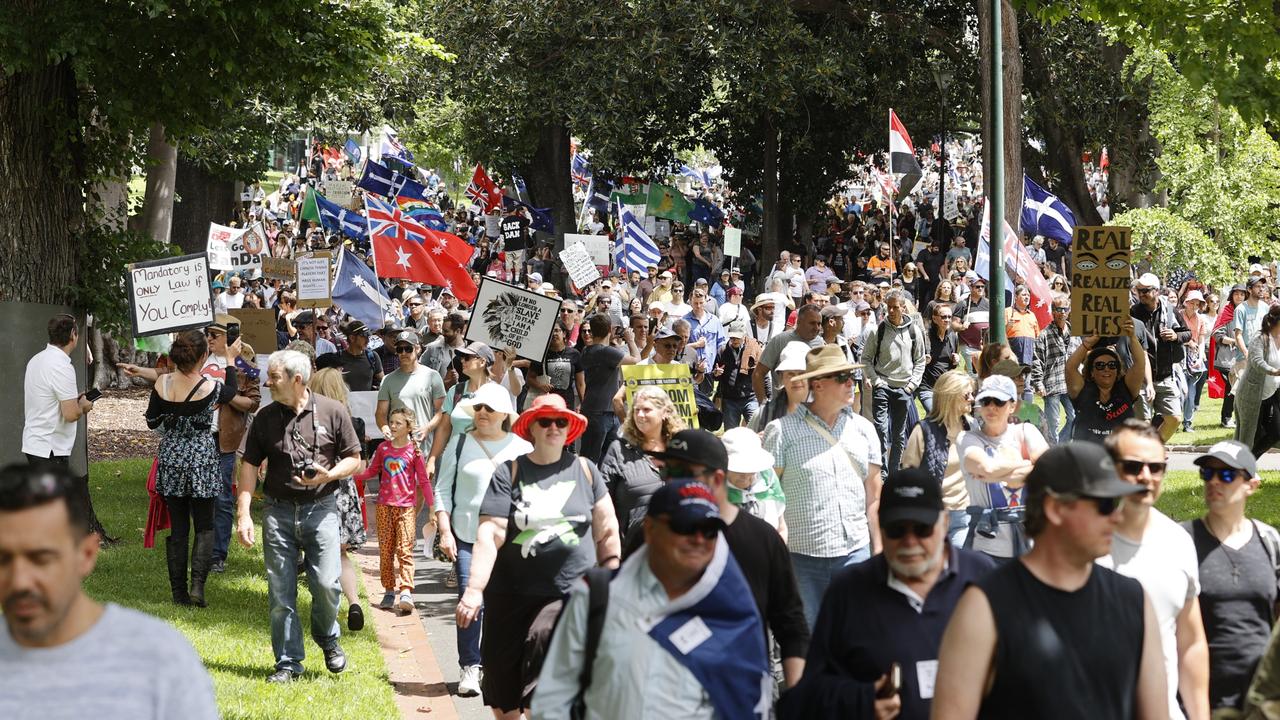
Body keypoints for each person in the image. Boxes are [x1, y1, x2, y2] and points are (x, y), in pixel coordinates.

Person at [932, 442, 1168, 719]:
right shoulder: (984, 607)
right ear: (1055, 508)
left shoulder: (1134, 601)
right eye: (1105, 504)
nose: (1117, 516)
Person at [529, 479, 772, 720]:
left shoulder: (730, 615)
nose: (699, 539)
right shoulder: (597, 596)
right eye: (685, 526)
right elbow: (553, 698)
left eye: (709, 530)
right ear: (651, 528)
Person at [0, 463, 219, 719]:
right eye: (3, 559)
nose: (21, 581)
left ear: (86, 555)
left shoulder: (159, 661)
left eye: (41, 559)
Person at [781, 468, 998, 720]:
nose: (910, 541)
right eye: (897, 529)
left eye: (922, 528)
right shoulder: (849, 591)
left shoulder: (981, 578)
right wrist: (861, 701)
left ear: (945, 523)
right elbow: (803, 700)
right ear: (881, 527)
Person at [456, 394, 621, 717]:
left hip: (568, 595)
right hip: (508, 599)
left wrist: (612, 580)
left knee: (543, 691)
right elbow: (490, 533)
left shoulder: (585, 471)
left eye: (561, 421)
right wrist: (474, 590)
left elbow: (607, 531)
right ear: (531, 427)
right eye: (545, 421)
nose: (553, 427)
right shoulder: (510, 472)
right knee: (504, 700)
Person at [236, 350, 363, 682]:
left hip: (322, 510)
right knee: (281, 593)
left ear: (296, 379)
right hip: (277, 512)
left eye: (274, 377)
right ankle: (288, 662)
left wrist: (329, 475)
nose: (267, 382)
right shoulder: (265, 417)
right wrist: (244, 513)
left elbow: (355, 459)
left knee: (325, 584)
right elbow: (248, 465)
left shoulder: (333, 411)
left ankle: (328, 638)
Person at [764, 344, 882, 628]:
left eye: (851, 377)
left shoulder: (864, 429)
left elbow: (875, 496)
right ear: (817, 384)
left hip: (855, 552)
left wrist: (878, 550)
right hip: (801, 558)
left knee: (854, 639)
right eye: (842, 378)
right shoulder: (781, 431)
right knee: (808, 642)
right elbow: (769, 497)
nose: (851, 384)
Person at [1099, 420, 1210, 720]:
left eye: (1156, 467)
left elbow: (1190, 642)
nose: (1145, 477)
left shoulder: (1178, 542)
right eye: (1133, 466)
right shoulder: (1081, 543)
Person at [435, 383, 531, 698]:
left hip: (511, 540)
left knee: (504, 604)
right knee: (470, 600)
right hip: (466, 537)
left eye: (489, 408)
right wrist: (444, 530)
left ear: (504, 413)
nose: (483, 413)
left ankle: (497, 665)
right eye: (478, 408)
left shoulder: (521, 448)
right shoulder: (460, 444)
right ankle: (470, 666)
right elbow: (442, 489)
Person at [1179, 441, 1280, 715]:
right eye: (1207, 474)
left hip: (1259, 702)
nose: (1214, 482)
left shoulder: (1270, 542)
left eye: (1226, 475)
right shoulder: (1181, 541)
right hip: (1198, 701)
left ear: (1252, 485)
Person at [143, 330, 240, 607]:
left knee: (179, 525)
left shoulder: (162, 383)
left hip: (172, 458)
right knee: (205, 524)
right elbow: (231, 392)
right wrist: (231, 361)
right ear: (202, 356)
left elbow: (151, 421)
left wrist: (170, 417)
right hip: (201, 458)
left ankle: (178, 592)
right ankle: (198, 587)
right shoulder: (210, 387)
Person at [957, 375, 1048, 559]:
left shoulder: (1026, 431)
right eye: (986, 401)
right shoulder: (968, 438)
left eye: (999, 401)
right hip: (985, 547)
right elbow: (985, 468)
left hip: (1030, 545)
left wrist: (996, 474)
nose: (991, 407)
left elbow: (1049, 469)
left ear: (1012, 406)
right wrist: (1028, 466)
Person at [356, 407, 433, 615]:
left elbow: (424, 481)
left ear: (408, 427)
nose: (393, 426)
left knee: (405, 548)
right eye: (392, 422)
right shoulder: (382, 449)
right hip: (384, 506)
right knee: (386, 550)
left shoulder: (414, 452)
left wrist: (432, 507)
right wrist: (351, 475)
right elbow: (372, 472)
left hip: (406, 507)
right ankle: (389, 590)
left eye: (398, 423)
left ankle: (406, 590)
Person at [309, 367, 369, 631]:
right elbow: (361, 465)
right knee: (342, 554)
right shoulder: (353, 422)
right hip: (345, 491)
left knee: (318, 554)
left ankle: (328, 609)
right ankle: (354, 602)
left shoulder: (308, 421)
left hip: (317, 490)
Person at [600, 386, 686, 536]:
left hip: (676, 548)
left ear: (665, 412)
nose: (640, 415)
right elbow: (602, 502)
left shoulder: (682, 449)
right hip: (631, 549)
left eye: (646, 410)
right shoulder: (619, 450)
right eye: (636, 410)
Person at [902, 370, 975, 546]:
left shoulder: (972, 426)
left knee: (959, 567)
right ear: (951, 396)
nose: (972, 398)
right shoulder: (923, 431)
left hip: (964, 516)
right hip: (931, 517)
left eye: (973, 394)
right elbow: (907, 477)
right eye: (967, 395)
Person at [22, 314, 96, 469]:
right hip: (51, 449)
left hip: (34, 443)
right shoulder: (62, 366)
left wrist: (73, 400)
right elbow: (71, 415)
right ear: (72, 335)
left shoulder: (36, 359)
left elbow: (48, 397)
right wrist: (83, 406)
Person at [863, 289, 925, 473]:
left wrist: (912, 385)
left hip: (904, 388)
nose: (890, 311)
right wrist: (876, 381)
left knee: (898, 433)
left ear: (903, 308)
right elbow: (866, 358)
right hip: (882, 384)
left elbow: (920, 360)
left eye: (895, 308)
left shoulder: (914, 331)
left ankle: (893, 470)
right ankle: (881, 470)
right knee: (881, 428)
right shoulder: (878, 330)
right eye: (888, 307)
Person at [1067, 318, 1148, 444]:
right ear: (1091, 372)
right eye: (1100, 365)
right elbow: (1070, 368)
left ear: (1117, 370)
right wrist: (1086, 345)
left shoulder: (1126, 389)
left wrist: (1132, 337)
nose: (1106, 369)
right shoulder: (1082, 390)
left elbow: (1140, 363)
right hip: (1087, 454)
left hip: (1118, 453)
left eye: (1111, 365)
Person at [1131, 272, 1191, 440]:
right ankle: (1145, 456)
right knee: (1143, 423)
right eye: (1138, 290)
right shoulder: (1133, 312)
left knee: (1174, 418)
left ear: (1156, 291)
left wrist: (1175, 336)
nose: (1141, 294)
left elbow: (1187, 333)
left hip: (1165, 374)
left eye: (1145, 291)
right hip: (1141, 375)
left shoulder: (1170, 310)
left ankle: (1154, 447)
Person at [377, 330, 446, 467]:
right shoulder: (387, 380)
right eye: (399, 349)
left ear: (418, 349)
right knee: (398, 488)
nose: (403, 353)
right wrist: (385, 429)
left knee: (422, 487)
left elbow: (441, 411)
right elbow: (380, 413)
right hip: (397, 450)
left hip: (424, 448)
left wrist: (427, 428)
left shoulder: (433, 376)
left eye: (408, 349)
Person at [577, 314, 640, 464]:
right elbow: (635, 360)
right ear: (609, 330)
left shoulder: (587, 350)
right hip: (601, 413)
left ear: (591, 331)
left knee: (600, 456)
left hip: (602, 411)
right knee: (595, 458)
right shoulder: (605, 352)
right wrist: (630, 340)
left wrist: (611, 340)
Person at [722, 426, 788, 537]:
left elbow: (781, 528)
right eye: (739, 469)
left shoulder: (768, 479)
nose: (746, 475)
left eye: (751, 469)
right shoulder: (713, 489)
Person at [1032, 294, 1080, 444]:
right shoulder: (1044, 334)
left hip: (1070, 385)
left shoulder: (1075, 333)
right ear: (1053, 311)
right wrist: (1038, 383)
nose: (1062, 312)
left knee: (1074, 417)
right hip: (1052, 385)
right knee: (1053, 423)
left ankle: (1060, 446)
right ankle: (1052, 450)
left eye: (1065, 309)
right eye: (1058, 309)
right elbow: (1036, 360)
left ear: (1069, 310)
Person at [1232, 304, 1280, 455]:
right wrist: (1274, 371)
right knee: (1248, 436)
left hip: (1271, 394)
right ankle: (1238, 467)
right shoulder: (1260, 338)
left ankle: (1247, 464)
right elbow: (1256, 361)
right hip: (1251, 395)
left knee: (1275, 433)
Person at [753, 304, 823, 405]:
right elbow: (758, 374)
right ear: (799, 322)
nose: (816, 327)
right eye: (812, 323)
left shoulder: (820, 343)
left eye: (819, 324)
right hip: (782, 409)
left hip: (810, 410)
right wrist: (764, 405)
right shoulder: (780, 341)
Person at [750, 341, 812, 432]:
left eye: (801, 373)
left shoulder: (826, 413)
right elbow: (745, 445)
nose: (796, 379)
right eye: (790, 374)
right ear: (781, 376)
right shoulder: (764, 414)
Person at [918, 300, 959, 414]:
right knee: (935, 414)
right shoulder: (925, 337)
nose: (947, 320)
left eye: (949, 317)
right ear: (935, 319)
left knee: (944, 418)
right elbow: (915, 362)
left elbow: (952, 365)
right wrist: (923, 361)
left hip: (946, 389)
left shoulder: (953, 337)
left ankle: (925, 430)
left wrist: (956, 361)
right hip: (927, 388)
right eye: (943, 317)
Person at [336, 320, 382, 391]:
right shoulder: (337, 357)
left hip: (367, 401)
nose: (368, 340)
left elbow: (383, 381)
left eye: (368, 336)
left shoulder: (373, 356)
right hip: (344, 401)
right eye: (364, 336)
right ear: (352, 338)